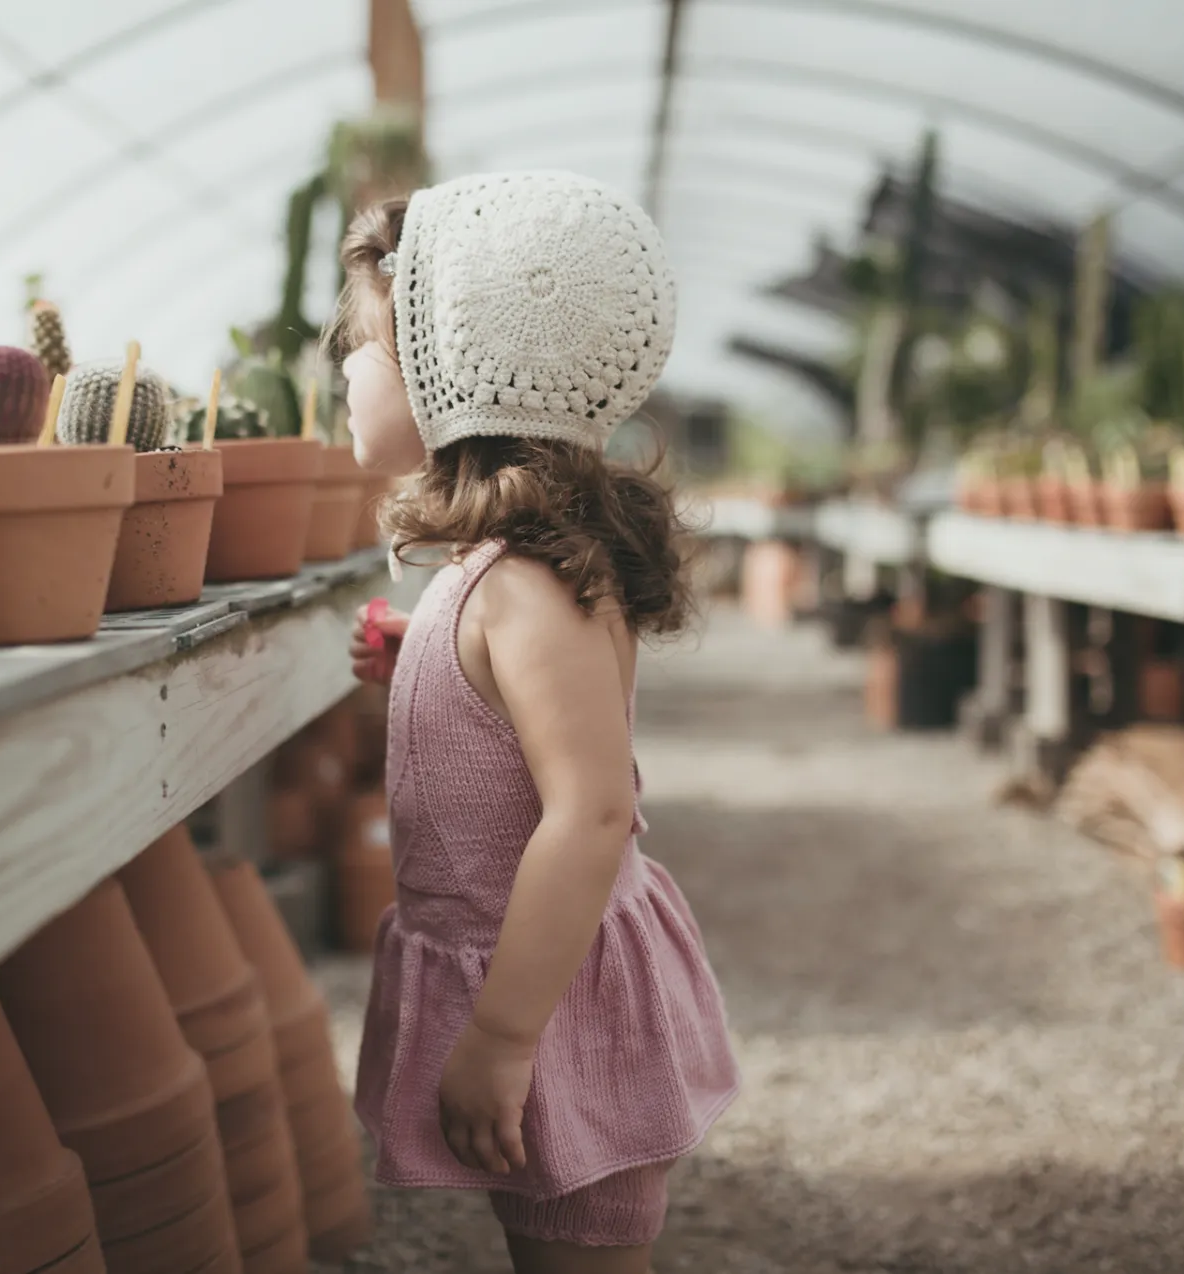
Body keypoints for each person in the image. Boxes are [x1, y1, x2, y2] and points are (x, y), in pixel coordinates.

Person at [328, 171, 740, 1274]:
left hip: (550, 994)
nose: (343, 373)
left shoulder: (524, 585)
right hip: (535, 970)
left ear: (442, 372)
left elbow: (593, 809)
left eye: (356, 348)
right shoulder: (502, 577)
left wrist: (505, 1037)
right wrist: (422, 665)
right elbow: (517, 717)